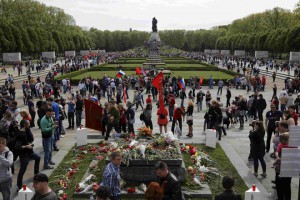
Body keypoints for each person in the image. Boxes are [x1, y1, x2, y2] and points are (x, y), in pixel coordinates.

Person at [15, 119, 41, 190]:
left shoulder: (27, 131)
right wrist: (27, 146)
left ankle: (36, 174)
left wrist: (29, 143)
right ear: (25, 125)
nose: (30, 124)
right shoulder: (20, 134)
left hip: (30, 152)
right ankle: (19, 185)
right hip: (24, 155)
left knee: (38, 157)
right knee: (22, 170)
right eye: (28, 124)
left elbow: (31, 139)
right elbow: (17, 147)